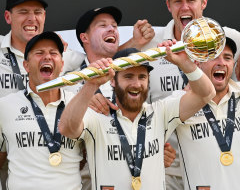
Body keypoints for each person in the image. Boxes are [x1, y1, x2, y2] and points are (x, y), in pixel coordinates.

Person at [119, 0, 240, 189]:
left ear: (204, 2)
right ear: (168, 5)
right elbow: (108, 72)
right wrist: (133, 42)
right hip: (167, 166)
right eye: (177, 1)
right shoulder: (152, 44)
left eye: (191, 0)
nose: (185, 7)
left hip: (213, 163)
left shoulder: (223, 36)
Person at [58, 46, 215, 189]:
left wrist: (185, 63)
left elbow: (207, 93)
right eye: (128, 76)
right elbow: (66, 128)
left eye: (142, 77)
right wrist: (91, 86)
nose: (136, 83)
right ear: (112, 81)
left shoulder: (161, 112)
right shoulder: (98, 116)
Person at [73, 5, 173, 190]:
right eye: (102, 25)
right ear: (84, 37)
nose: (111, 29)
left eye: (114, 25)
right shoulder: (71, 80)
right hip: (86, 182)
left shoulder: (135, 79)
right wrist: (85, 97)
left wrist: (157, 153)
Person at [168, 37, 240, 189]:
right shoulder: (181, 102)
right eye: (213, 57)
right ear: (197, 63)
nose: (221, 62)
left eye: (227, 57)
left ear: (233, 64)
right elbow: (147, 128)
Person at [0, 31, 83, 189]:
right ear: (26, 66)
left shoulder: (78, 104)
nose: (47, 57)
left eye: (53, 53)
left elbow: (87, 157)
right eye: (39, 53)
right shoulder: (4, 106)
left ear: (62, 64)